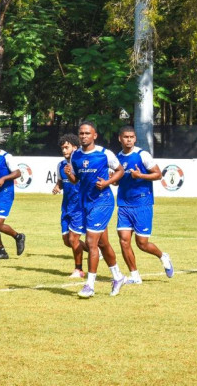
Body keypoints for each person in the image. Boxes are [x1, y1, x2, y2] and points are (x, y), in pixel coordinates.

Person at [65, 121, 127, 298]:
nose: (84, 136)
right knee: (103, 243)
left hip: (103, 202)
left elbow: (120, 170)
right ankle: (118, 276)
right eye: (81, 133)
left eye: (87, 133)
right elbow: (76, 180)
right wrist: (70, 174)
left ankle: (89, 285)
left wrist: (107, 182)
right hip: (86, 203)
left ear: (94, 135)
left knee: (91, 243)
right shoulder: (75, 155)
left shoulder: (104, 154)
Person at [115, 126, 174, 283]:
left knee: (142, 243)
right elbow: (116, 181)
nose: (129, 139)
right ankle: (135, 277)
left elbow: (158, 174)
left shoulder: (142, 155)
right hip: (124, 204)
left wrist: (139, 175)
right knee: (123, 240)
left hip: (142, 204)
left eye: (132, 137)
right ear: (120, 138)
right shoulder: (117, 158)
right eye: (126, 137)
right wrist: (111, 179)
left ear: (135, 139)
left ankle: (163, 256)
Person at [52, 133, 87, 278]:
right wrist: (57, 187)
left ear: (75, 147)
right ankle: (94, 250)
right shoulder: (60, 165)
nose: (64, 151)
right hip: (66, 206)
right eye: (62, 148)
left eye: (67, 147)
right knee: (67, 241)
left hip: (79, 206)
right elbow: (60, 181)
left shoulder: (80, 164)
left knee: (74, 240)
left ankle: (78, 269)